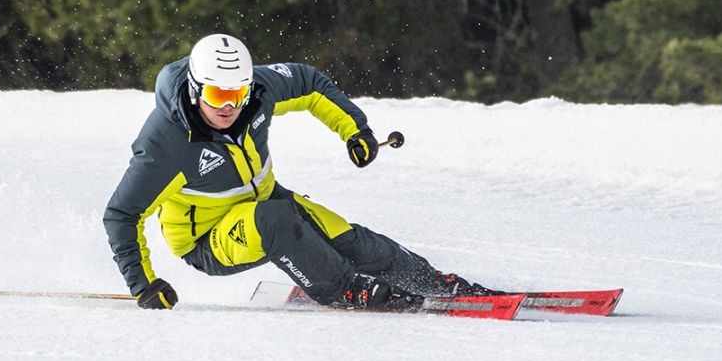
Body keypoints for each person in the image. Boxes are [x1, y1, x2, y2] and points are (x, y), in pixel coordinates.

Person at [104, 33, 498, 311]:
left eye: (238, 94)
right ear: (195, 89)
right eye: (218, 95)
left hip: (264, 203)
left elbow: (309, 83)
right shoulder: (166, 143)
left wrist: (355, 130)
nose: (230, 107)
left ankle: (431, 282)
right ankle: (347, 290)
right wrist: (144, 286)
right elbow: (121, 215)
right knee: (276, 221)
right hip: (207, 240)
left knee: (348, 239)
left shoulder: (257, 92)